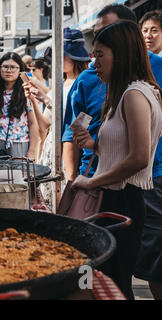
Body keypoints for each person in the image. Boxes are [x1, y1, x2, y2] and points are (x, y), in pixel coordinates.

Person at [72, 20, 162, 300]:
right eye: (93, 54)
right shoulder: (126, 92)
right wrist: (94, 145)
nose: (93, 62)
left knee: (114, 283)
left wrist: (92, 181)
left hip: (122, 201)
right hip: (115, 199)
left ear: (121, 54)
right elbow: (123, 151)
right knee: (104, 281)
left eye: (100, 55)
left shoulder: (135, 95)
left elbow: (138, 158)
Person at [62, 4, 162, 182]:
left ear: (128, 36)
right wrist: (73, 180)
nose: (101, 40)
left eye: (109, 33)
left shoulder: (138, 89)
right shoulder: (87, 79)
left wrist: (92, 184)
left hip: (145, 182)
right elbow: (77, 127)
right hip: (95, 178)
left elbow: (138, 158)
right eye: (97, 34)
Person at [24, 28, 90, 210]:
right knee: (50, 202)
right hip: (52, 149)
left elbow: (79, 122)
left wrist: (46, 100)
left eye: (62, 55)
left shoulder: (85, 82)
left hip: (72, 149)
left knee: (68, 203)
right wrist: (34, 100)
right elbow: (45, 124)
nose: (57, 60)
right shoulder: (59, 85)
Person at [134, 9, 162, 300]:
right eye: (145, 30)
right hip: (145, 173)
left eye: (155, 30)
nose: (149, 36)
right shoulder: (135, 68)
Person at [0, 52, 39, 160]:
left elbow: (33, 123)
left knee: (19, 175)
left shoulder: (26, 92)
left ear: (19, 70)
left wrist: (32, 151)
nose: (9, 70)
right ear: (0, 69)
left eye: (13, 67)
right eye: (5, 67)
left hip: (20, 143)